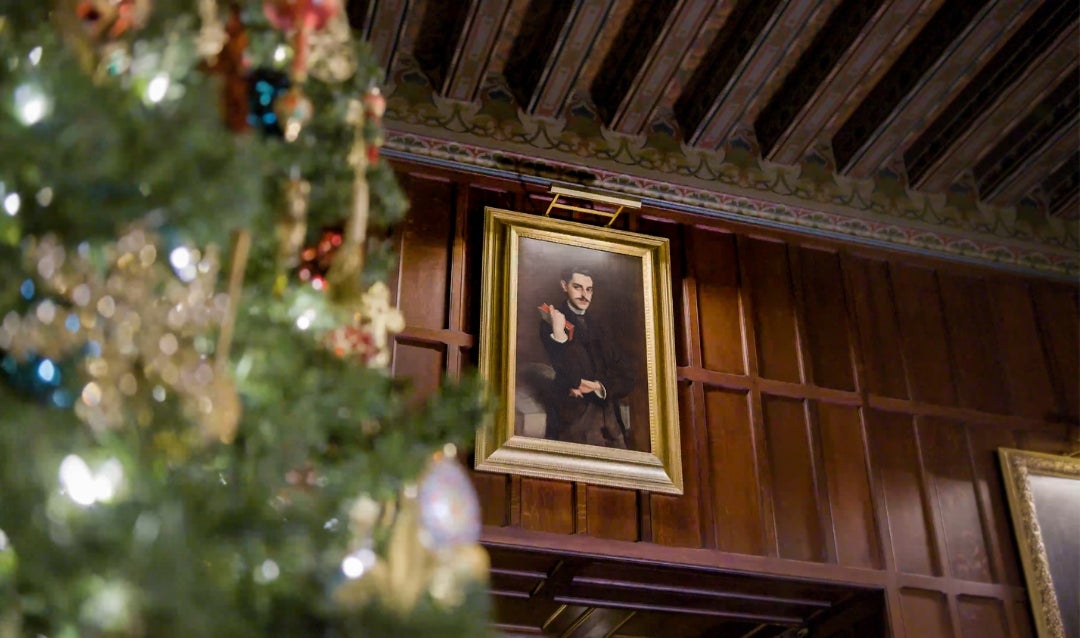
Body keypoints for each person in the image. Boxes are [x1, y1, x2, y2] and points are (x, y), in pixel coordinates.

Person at [537, 266, 635, 448]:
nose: (584, 295)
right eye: (577, 287)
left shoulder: (599, 326)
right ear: (564, 286)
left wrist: (598, 386)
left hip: (611, 419)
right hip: (573, 418)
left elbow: (628, 376)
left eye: (589, 289)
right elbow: (571, 375)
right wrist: (559, 334)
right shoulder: (551, 321)